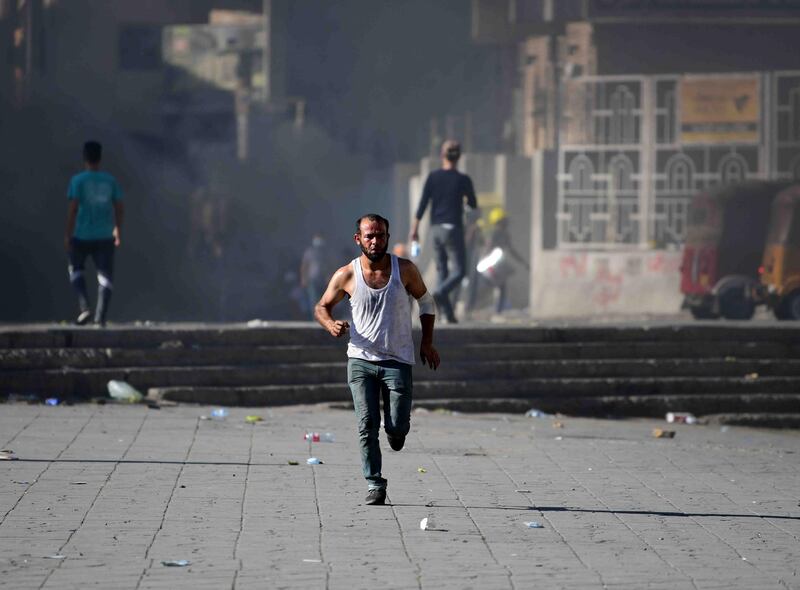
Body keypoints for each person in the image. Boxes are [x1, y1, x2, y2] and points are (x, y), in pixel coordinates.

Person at [315, 214, 440, 506]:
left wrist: (428, 341)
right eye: (369, 236)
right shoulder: (346, 274)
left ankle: (396, 433)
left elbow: (426, 301)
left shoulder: (404, 270)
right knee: (367, 423)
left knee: (396, 428)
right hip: (360, 360)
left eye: (381, 235)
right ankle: (375, 483)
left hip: (397, 360)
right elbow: (322, 306)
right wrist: (330, 324)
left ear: (387, 236)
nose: (375, 241)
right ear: (358, 239)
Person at [409, 139, 477, 323]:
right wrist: (471, 224)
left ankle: (448, 315)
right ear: (459, 157)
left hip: (436, 231)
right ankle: (441, 292)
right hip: (453, 229)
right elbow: (473, 207)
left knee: (442, 271)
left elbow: (422, 205)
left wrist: (414, 230)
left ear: (442, 156)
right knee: (460, 272)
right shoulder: (463, 180)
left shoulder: (433, 177)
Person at [65, 141, 124, 326]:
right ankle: (100, 317)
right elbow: (119, 207)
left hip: (81, 234)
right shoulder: (110, 181)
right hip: (105, 235)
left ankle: (85, 307)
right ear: (100, 158)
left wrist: (68, 233)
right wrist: (118, 228)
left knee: (76, 270)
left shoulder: (77, 181)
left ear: (85, 158)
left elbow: (73, 209)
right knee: (105, 277)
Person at [482, 207, 529, 313]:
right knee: (494, 286)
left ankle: (498, 309)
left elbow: (510, 250)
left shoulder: (504, 234)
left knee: (502, 286)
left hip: (498, 264)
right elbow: (488, 247)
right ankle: (488, 307)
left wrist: (523, 262)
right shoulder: (495, 234)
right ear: (499, 222)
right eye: (504, 221)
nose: (506, 223)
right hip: (492, 265)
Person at [300, 232, 334, 319]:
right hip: (313, 280)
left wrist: (330, 276)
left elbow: (329, 266)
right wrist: (304, 278)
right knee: (313, 300)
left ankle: (325, 318)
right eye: (317, 238)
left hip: (323, 280)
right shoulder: (309, 252)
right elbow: (304, 266)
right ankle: (315, 319)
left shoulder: (326, 253)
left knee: (325, 300)